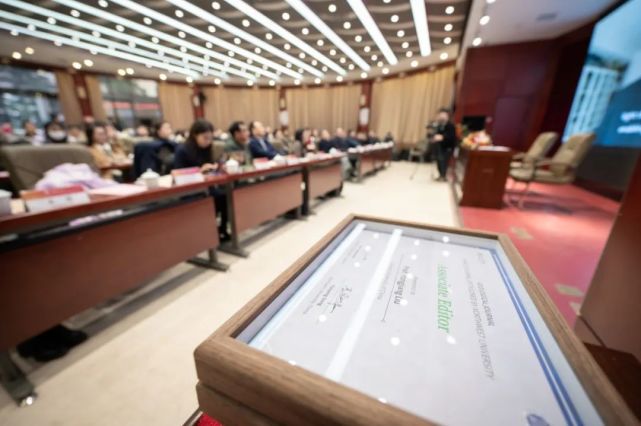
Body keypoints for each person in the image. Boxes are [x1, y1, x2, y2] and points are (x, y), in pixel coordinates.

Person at [174, 119, 230, 241]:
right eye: (205, 138)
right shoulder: (182, 150)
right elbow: (178, 174)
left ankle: (222, 229)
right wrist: (199, 171)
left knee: (225, 196)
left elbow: (208, 171)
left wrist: (216, 168)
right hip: (189, 190)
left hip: (205, 186)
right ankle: (209, 232)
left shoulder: (206, 149)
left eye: (210, 138)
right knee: (214, 199)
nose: (208, 141)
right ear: (195, 135)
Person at [430, 108, 457, 181]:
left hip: (448, 147)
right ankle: (440, 175)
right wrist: (433, 138)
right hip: (439, 146)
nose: (442, 117)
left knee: (444, 161)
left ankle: (443, 176)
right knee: (438, 161)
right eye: (440, 115)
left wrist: (442, 137)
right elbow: (435, 134)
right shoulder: (439, 125)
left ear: (447, 116)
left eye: (444, 115)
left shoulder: (450, 126)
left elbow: (452, 137)